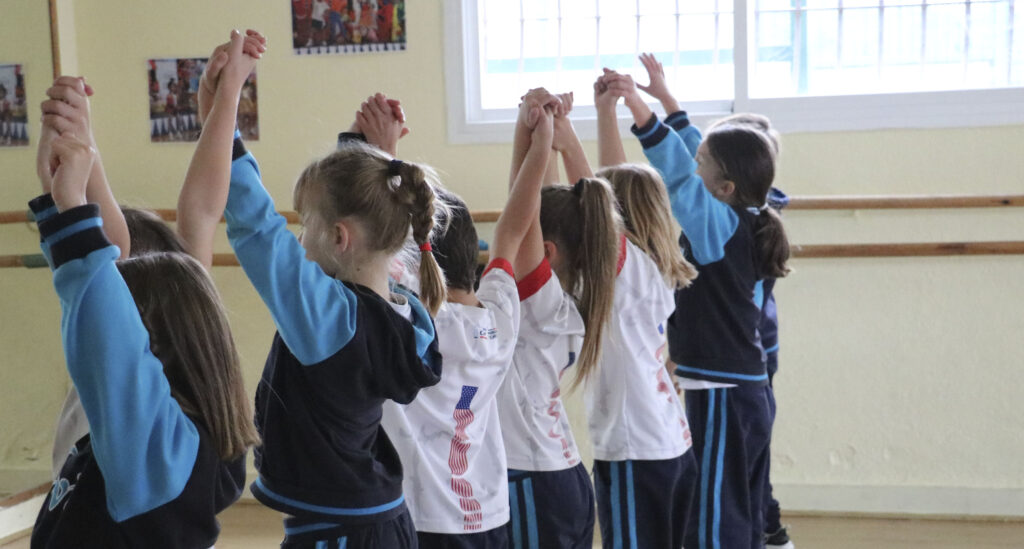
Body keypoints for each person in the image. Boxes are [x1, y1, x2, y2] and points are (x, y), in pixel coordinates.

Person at [29, 110, 256, 549]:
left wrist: (72, 203)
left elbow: (102, 311)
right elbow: (199, 212)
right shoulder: (179, 439)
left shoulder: (153, 450)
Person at [605, 59, 791, 549]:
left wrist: (639, 108)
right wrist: (667, 100)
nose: (695, 166)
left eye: (703, 164)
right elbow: (695, 159)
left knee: (714, 519)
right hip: (744, 390)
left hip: (722, 389)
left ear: (724, 187)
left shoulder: (718, 227)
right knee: (739, 512)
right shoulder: (745, 214)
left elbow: (679, 177)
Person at [354, 92, 547, 547]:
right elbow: (513, 227)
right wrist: (538, 141)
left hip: (423, 520)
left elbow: (373, 245)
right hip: (487, 517)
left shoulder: (409, 322)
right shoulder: (499, 318)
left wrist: (384, 155)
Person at [498, 88, 618, 549]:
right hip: (556, 475)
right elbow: (534, 206)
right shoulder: (570, 296)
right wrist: (537, 132)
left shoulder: (541, 302)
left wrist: (530, 130)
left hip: (535, 481)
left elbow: (522, 212)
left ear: (547, 253)